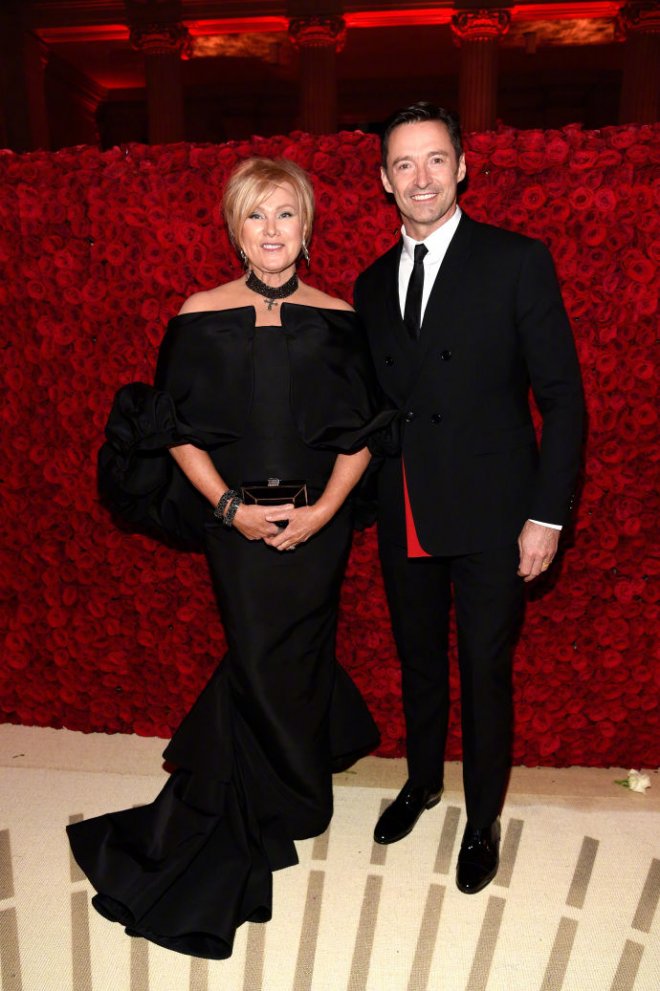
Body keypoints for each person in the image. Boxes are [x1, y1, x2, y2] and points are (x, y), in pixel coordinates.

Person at [67, 157, 393, 959]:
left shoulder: (340, 316)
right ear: (235, 228)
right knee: (258, 652)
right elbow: (173, 429)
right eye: (256, 215)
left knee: (304, 650)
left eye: (285, 214)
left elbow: (365, 433)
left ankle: (298, 787)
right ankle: (280, 796)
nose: (271, 230)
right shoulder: (198, 313)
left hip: (318, 522)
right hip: (233, 521)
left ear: (306, 226)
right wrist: (229, 509)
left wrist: (323, 512)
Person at [353, 103, 584, 894]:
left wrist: (546, 515)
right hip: (406, 504)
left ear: (462, 167)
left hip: (496, 511)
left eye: (435, 159)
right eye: (404, 164)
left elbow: (563, 399)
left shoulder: (516, 260)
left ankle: (481, 817)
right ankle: (422, 780)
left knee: (484, 669)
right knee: (418, 659)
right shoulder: (370, 284)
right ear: (385, 181)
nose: (421, 177)